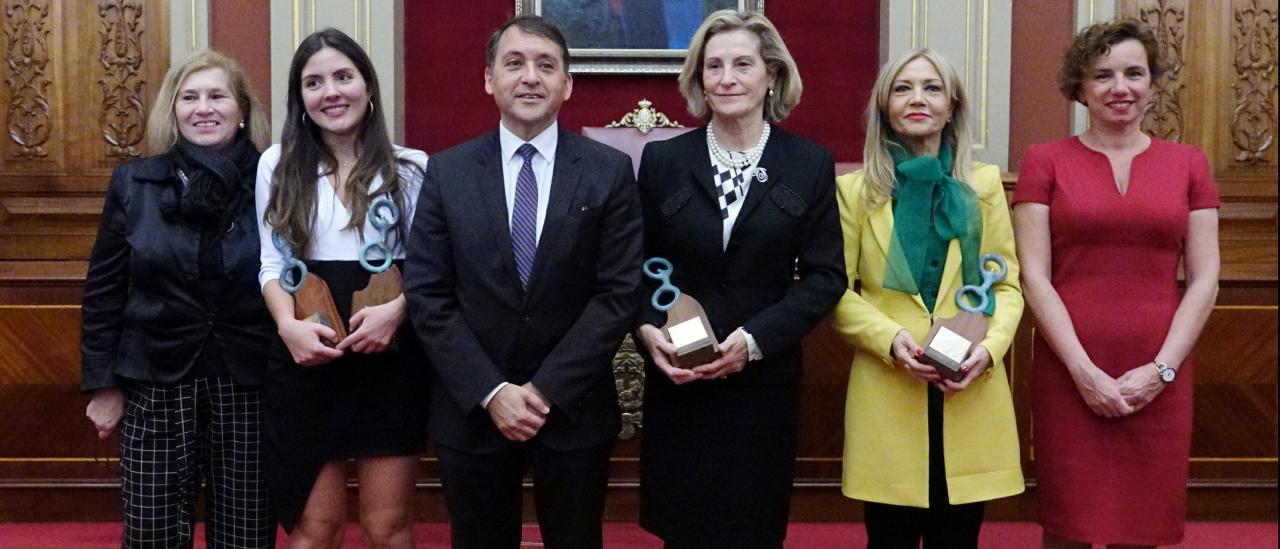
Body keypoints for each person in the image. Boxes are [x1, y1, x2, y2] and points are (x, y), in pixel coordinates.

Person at [403, 15, 642, 549]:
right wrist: (492, 393)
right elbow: (428, 293)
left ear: (567, 84)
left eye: (546, 65)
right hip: (472, 409)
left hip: (574, 409)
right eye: (514, 63)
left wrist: (545, 389)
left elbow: (618, 292)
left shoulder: (608, 171)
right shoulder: (447, 172)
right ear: (490, 79)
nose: (530, 77)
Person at [633, 10, 846, 548]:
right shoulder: (663, 161)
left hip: (762, 385)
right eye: (713, 66)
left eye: (742, 64)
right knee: (684, 528)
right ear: (699, 79)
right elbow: (632, 265)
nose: (726, 78)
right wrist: (646, 328)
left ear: (771, 75)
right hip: (680, 382)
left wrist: (753, 342)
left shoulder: (809, 164)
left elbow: (825, 278)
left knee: (752, 528)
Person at [1011, 19, 1219, 549]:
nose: (1119, 87)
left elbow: (1205, 277)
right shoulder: (1045, 160)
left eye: (1133, 73)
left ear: (1152, 84)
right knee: (1069, 526)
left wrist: (1162, 370)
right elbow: (1033, 275)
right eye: (1102, 75)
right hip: (1070, 368)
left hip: (1160, 370)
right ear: (1079, 87)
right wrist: (1083, 372)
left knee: (1143, 526)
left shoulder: (1189, 163)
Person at [80, 49, 275, 548]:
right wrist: (103, 385)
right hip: (153, 381)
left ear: (243, 109)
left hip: (249, 382)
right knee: (151, 535)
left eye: (217, 96)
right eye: (190, 97)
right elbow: (104, 289)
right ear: (174, 110)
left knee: (245, 535)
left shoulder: (274, 181)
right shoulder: (134, 182)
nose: (203, 108)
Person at [832, 48, 1025, 548]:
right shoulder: (854, 191)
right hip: (889, 387)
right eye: (903, 88)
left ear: (952, 105)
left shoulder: (982, 186)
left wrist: (989, 350)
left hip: (969, 389)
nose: (917, 98)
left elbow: (1005, 284)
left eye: (931, 87)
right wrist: (890, 338)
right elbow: (834, 288)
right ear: (884, 107)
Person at [256, 28, 429, 547]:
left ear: (368, 87)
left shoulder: (412, 168)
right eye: (314, 82)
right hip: (307, 354)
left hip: (391, 358)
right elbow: (268, 262)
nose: (331, 92)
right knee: (315, 529)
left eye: (343, 77)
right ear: (301, 98)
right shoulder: (277, 163)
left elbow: (434, 268)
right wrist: (288, 327)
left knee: (388, 527)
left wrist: (397, 312)